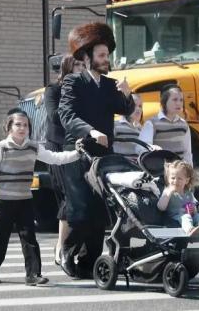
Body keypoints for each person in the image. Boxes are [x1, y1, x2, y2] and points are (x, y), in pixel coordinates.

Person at [58, 21, 135, 278]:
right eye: (101, 55)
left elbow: (126, 110)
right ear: (87, 57)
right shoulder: (73, 82)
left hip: (103, 156)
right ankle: (66, 253)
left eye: (107, 55)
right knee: (79, 210)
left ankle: (89, 262)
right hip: (77, 151)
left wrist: (128, 95)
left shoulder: (110, 84)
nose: (106, 59)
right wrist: (90, 131)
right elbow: (66, 114)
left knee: (98, 210)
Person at [0, 110, 81, 286]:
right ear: (9, 127)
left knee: (29, 238)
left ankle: (33, 275)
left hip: (25, 199)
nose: (22, 128)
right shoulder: (1, 147)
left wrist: (77, 153)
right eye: (18, 124)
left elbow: (54, 158)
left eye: (25, 125)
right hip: (4, 200)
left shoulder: (33, 147)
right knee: (0, 237)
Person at [44, 54, 85, 266]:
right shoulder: (53, 90)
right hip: (58, 147)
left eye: (82, 64)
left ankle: (71, 246)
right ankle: (62, 247)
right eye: (76, 64)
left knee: (79, 199)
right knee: (68, 196)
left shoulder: (86, 90)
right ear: (67, 67)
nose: (80, 68)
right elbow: (54, 116)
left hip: (78, 147)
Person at [157, 160, 199, 236]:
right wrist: (168, 194)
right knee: (186, 217)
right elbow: (161, 207)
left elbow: (194, 210)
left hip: (188, 216)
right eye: (173, 178)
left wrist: (193, 209)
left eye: (179, 179)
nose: (175, 181)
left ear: (186, 181)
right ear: (168, 179)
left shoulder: (188, 193)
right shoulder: (167, 191)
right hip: (174, 218)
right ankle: (190, 230)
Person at [138, 84, 193, 164]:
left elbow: (187, 153)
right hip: (159, 172)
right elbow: (140, 147)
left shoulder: (184, 125)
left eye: (181, 100)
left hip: (179, 172)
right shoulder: (152, 124)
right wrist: (151, 148)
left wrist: (189, 172)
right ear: (164, 101)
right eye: (174, 100)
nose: (179, 103)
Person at [113, 93, 143, 161]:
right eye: (134, 105)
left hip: (140, 167)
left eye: (140, 106)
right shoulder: (116, 125)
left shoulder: (141, 129)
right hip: (122, 166)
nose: (138, 109)